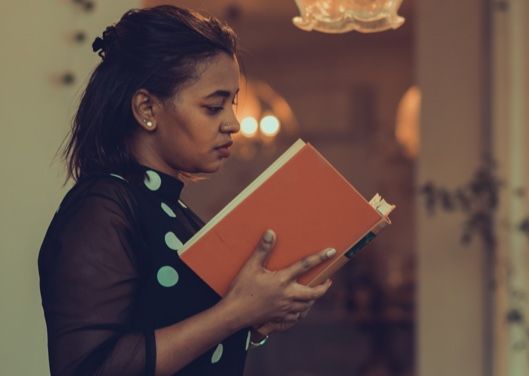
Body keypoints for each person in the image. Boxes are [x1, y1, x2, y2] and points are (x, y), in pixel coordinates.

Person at [38, 5, 334, 375]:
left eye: (233, 103)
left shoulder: (176, 213)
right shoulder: (102, 208)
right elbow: (88, 368)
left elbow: (184, 328)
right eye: (214, 107)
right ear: (147, 108)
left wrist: (257, 319)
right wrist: (236, 313)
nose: (233, 123)